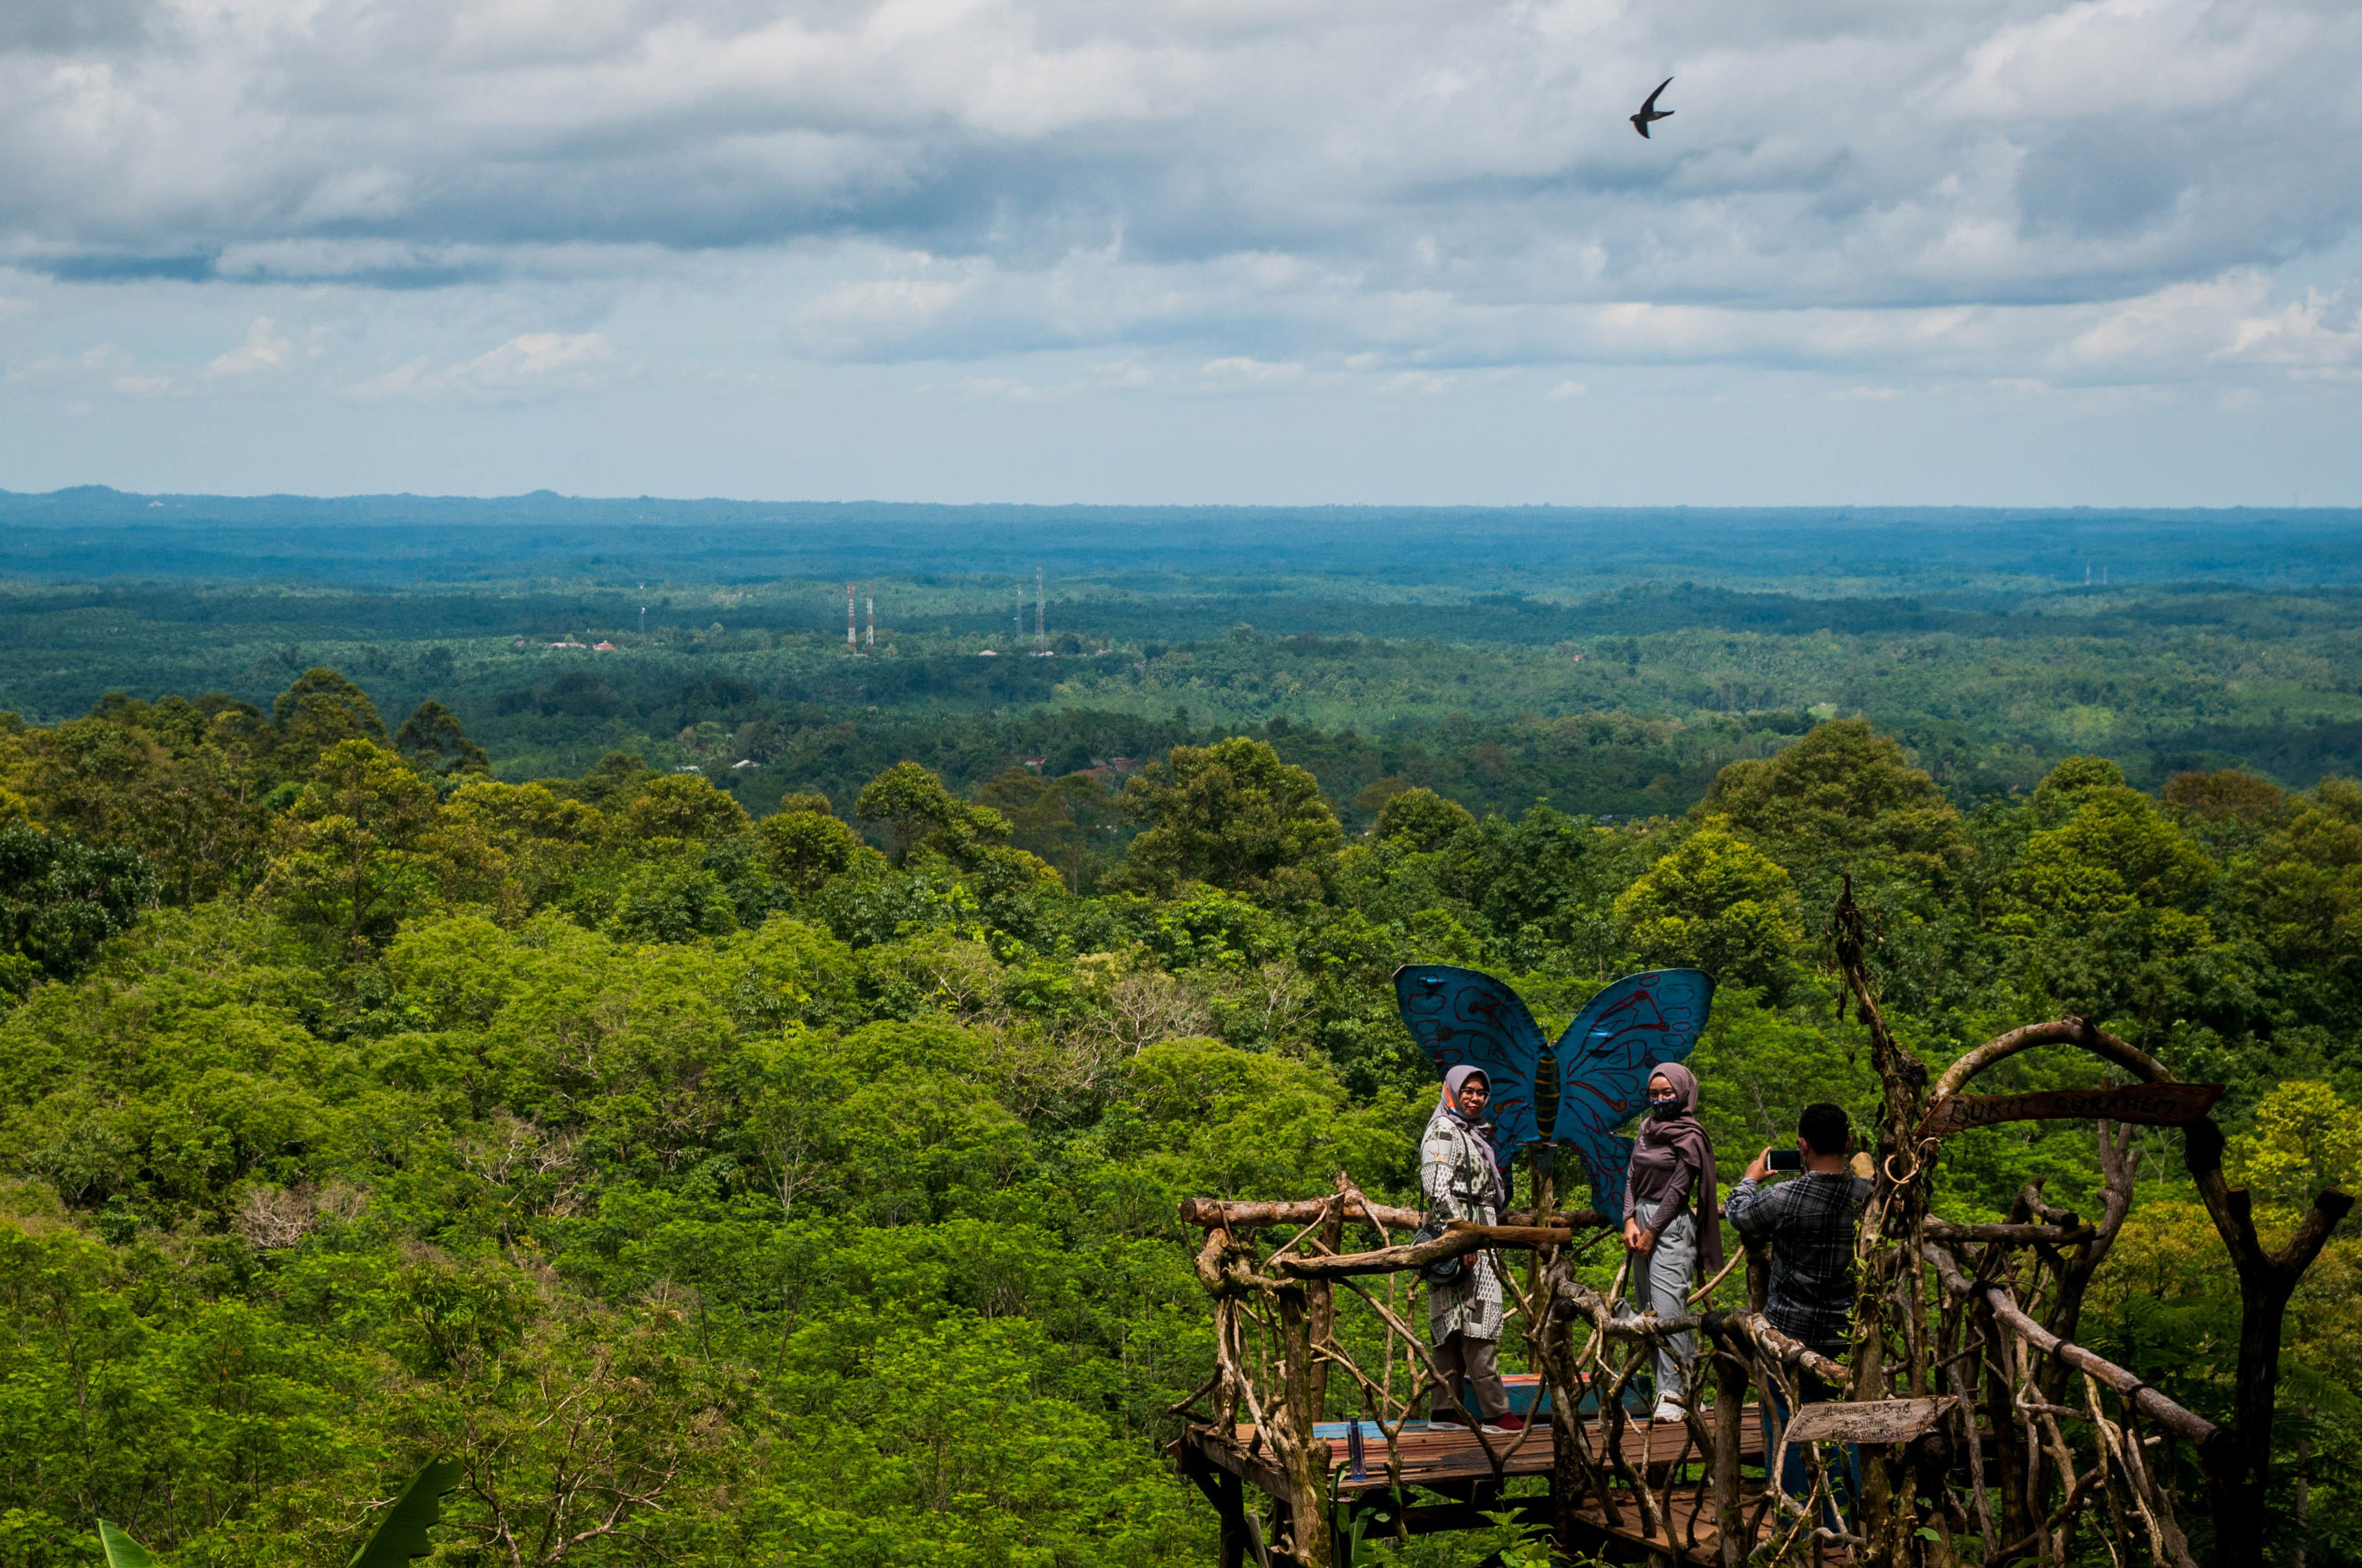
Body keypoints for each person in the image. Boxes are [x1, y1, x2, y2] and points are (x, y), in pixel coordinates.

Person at [1725, 1101, 1871, 1511]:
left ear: (1802, 1146)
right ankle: (1847, 1521)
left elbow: (1739, 1217)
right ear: (1847, 1143)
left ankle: (1798, 1525)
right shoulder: (1869, 1195)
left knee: (1789, 1429)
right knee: (1846, 1425)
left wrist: (1750, 1179)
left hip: (1788, 1336)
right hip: (1846, 1335)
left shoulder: (1784, 1196)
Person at [1420, 1065, 1526, 1432]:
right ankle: (1496, 1412)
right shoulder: (1444, 1130)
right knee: (1476, 1321)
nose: (1475, 1098)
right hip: (1460, 1234)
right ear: (1451, 1091)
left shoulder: (1474, 1133)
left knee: (1456, 1322)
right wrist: (1460, 1237)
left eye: (1481, 1092)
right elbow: (1436, 1187)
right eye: (1468, 1091)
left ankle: (1445, 1410)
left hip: (1476, 1231)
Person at [1620, 1062, 1722, 1419]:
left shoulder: (1690, 1135)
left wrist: (1651, 1232)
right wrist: (1629, 1219)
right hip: (1641, 1222)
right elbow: (1632, 1174)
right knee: (1648, 1311)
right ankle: (1673, 1387)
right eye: (1655, 1094)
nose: (1661, 1100)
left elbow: (1680, 1189)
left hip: (1670, 1226)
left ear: (1683, 1092)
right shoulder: (1647, 1128)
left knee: (1668, 1312)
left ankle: (1676, 1392)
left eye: (1668, 1093)